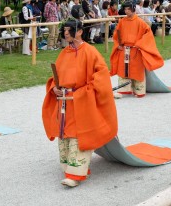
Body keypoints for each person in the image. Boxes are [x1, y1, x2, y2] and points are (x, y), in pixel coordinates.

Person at [42, 19, 117, 187]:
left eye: (70, 30)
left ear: (80, 31)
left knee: (79, 135)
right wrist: (54, 88)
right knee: (64, 135)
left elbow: (102, 76)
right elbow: (56, 78)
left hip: (82, 102)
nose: (66, 33)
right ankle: (70, 168)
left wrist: (83, 92)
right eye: (65, 30)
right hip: (64, 103)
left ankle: (75, 174)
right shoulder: (64, 53)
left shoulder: (90, 52)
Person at [110, 0, 164, 98]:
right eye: (125, 9)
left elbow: (148, 34)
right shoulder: (122, 21)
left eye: (128, 9)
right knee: (123, 70)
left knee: (137, 70)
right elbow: (116, 34)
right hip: (124, 49)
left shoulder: (140, 22)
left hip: (135, 49)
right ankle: (124, 89)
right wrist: (118, 44)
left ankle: (139, 90)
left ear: (133, 9)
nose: (126, 11)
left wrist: (139, 44)